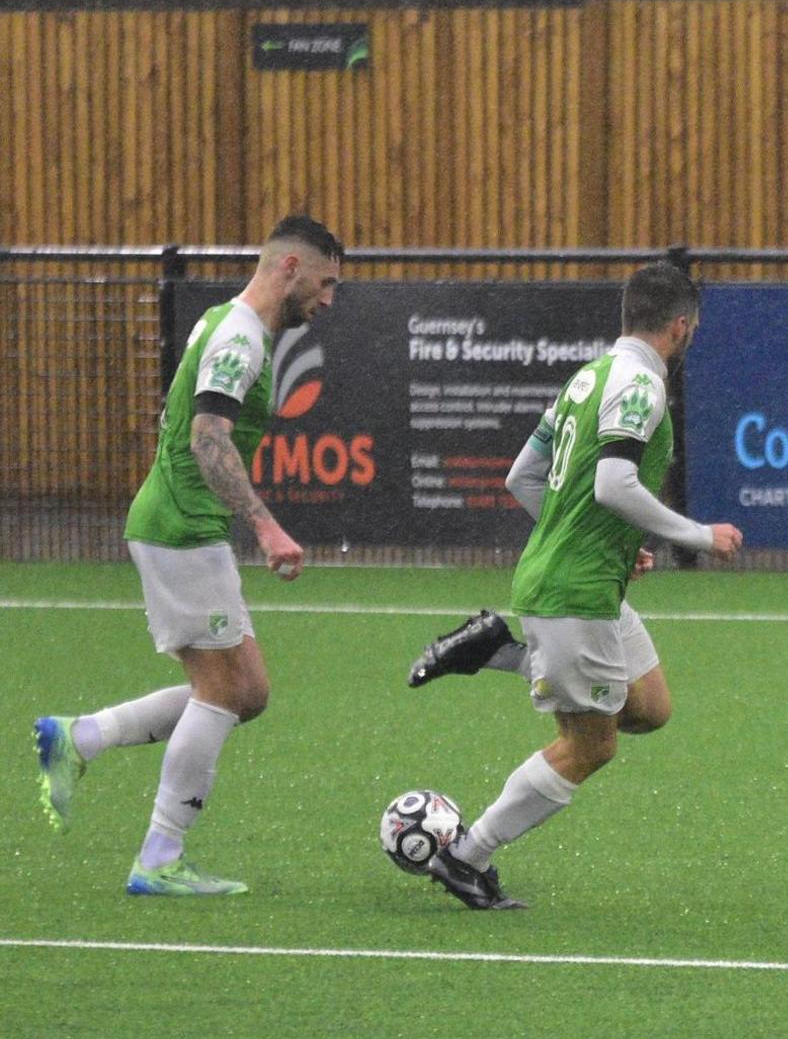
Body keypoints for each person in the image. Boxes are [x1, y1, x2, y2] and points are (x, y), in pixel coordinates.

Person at [32, 214, 343, 896]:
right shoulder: (240, 337)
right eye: (324, 284)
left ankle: (81, 737)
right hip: (181, 528)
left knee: (247, 692)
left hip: (182, 526)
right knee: (222, 692)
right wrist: (265, 526)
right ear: (289, 268)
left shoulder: (231, 323)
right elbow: (207, 437)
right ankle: (159, 857)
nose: (327, 301)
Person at [418, 261, 742, 911]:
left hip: (587, 580)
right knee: (590, 745)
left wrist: (606, 543)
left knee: (650, 708)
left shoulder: (587, 378)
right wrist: (698, 536)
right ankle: (465, 857)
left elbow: (521, 477)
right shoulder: (641, 384)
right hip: (573, 591)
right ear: (681, 327)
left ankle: (498, 650)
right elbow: (614, 484)